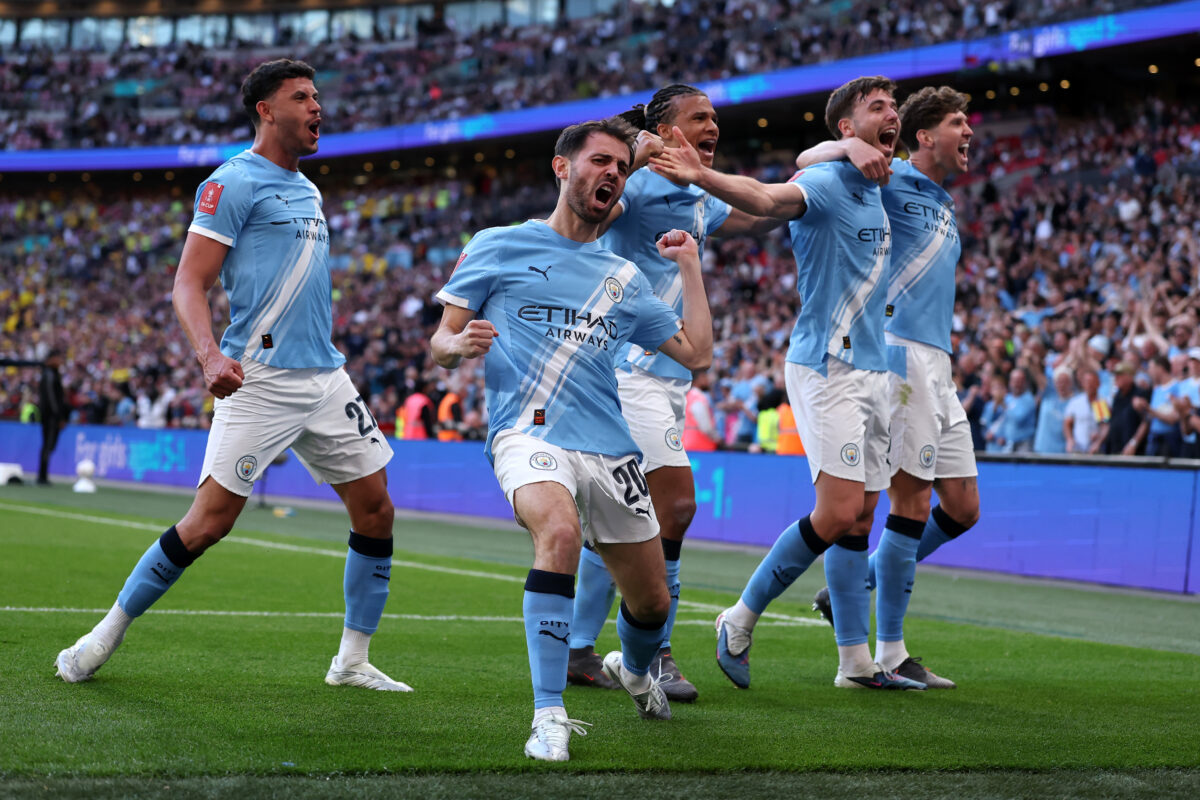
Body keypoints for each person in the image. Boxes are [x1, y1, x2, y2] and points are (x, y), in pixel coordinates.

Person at [55, 59, 409, 694]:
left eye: (318, 95)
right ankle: (103, 633)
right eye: (302, 96)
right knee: (209, 521)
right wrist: (210, 356)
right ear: (266, 111)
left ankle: (352, 660)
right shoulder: (232, 182)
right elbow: (189, 281)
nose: (317, 106)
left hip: (326, 377)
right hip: (261, 376)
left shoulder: (309, 189)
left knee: (377, 509)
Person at [431, 118, 714, 761]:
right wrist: (457, 345)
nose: (612, 173)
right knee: (557, 535)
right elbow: (441, 341)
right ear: (563, 168)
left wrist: (691, 267)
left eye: (621, 165)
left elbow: (695, 351)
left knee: (650, 603)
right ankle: (549, 715)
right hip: (527, 435)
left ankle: (636, 669)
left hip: (609, 448)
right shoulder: (498, 245)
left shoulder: (623, 277)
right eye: (599, 161)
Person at [652, 75, 925, 691]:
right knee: (837, 513)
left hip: (876, 369)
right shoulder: (826, 182)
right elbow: (769, 198)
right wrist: (701, 176)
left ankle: (856, 664)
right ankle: (739, 617)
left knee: (860, 521)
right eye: (876, 108)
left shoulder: (879, 181)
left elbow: (826, 151)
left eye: (893, 108)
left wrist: (844, 147)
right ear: (847, 126)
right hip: (826, 363)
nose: (891, 115)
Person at [566, 84, 781, 702]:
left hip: (670, 377)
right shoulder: (633, 186)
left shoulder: (701, 194)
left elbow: (762, 211)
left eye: (716, 117)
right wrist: (637, 147)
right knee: (676, 508)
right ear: (667, 128)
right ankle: (655, 651)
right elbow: (586, 206)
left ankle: (580, 648)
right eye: (699, 117)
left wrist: (824, 169)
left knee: (621, 517)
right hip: (626, 367)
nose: (713, 125)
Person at [795, 85, 981, 688]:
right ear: (925, 137)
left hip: (938, 362)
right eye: (958, 122)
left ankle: (855, 585)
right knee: (909, 503)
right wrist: (847, 145)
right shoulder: (886, 175)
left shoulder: (943, 200)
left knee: (963, 507)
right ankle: (891, 652)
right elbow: (806, 161)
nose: (969, 131)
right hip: (897, 355)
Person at [37, 349, 67, 484]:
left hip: (49, 416)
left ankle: (43, 475)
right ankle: (42, 476)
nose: (60, 361)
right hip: (50, 417)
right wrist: (58, 416)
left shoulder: (51, 374)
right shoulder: (49, 374)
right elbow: (52, 398)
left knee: (48, 445)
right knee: (48, 444)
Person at [1064, 367, 1109, 454]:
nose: (1090, 385)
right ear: (1083, 384)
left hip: (1094, 450)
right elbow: (1067, 423)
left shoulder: (1101, 403)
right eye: (1087, 382)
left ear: (1098, 384)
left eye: (1092, 382)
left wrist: (1098, 441)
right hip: (1078, 448)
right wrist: (1070, 440)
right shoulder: (1076, 402)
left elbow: (1104, 426)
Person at [1033, 368, 1074, 454]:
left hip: (1062, 452)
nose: (1062, 385)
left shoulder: (1075, 402)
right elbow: (1037, 376)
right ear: (1055, 383)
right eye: (1059, 382)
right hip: (1041, 449)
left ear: (1071, 383)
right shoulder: (1048, 395)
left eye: (1065, 382)